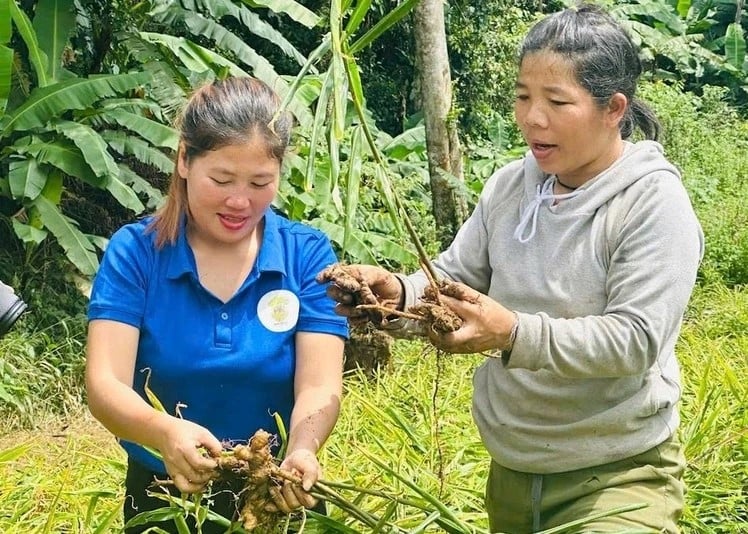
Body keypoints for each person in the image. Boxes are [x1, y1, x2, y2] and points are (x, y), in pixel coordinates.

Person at [322, 4, 703, 533]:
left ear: (613, 109)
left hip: (619, 477)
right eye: (524, 96)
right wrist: (394, 295)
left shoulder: (651, 203)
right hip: (513, 473)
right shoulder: (510, 186)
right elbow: (453, 281)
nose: (532, 118)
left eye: (557, 101)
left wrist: (513, 333)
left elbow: (637, 339)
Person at [85, 76, 348, 533]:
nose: (240, 201)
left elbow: (320, 384)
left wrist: (302, 447)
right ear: (184, 159)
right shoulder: (137, 253)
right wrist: (164, 433)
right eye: (222, 179)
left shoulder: (306, 255)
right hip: (165, 491)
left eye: (261, 182)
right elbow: (105, 384)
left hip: (278, 491)